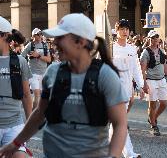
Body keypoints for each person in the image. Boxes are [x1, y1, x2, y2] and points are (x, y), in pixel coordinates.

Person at [0, 13, 128, 158]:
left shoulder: (105, 76)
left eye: (60, 38)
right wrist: (16, 143)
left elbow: (120, 124)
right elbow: (40, 114)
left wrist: (114, 155)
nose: (54, 43)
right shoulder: (53, 72)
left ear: (80, 42)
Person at [0, 16, 33, 158]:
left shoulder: (20, 61)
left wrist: (29, 126)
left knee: (20, 156)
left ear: (5, 36)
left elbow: (26, 95)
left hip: (14, 125)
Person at [111, 19, 144, 158]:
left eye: (127, 29)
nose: (125, 32)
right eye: (122, 29)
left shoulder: (132, 48)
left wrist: (141, 86)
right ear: (116, 30)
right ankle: (129, 153)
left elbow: (136, 68)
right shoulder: (111, 47)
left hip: (127, 87)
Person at [140, 30, 167, 136]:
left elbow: (165, 65)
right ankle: (154, 125)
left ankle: (153, 118)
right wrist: (144, 83)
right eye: (153, 37)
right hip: (151, 80)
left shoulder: (161, 50)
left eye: (157, 37)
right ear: (149, 39)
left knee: (164, 103)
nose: (155, 39)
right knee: (152, 104)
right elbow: (143, 69)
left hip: (161, 79)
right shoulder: (145, 52)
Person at [21, 28, 51, 109]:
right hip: (33, 73)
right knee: (37, 94)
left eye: (40, 34)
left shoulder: (45, 45)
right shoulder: (30, 45)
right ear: (33, 35)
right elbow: (21, 57)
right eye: (38, 34)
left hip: (43, 73)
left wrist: (38, 56)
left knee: (41, 95)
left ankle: (37, 114)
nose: (40, 35)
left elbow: (49, 59)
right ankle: (33, 115)